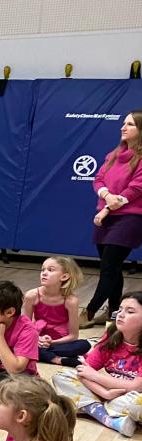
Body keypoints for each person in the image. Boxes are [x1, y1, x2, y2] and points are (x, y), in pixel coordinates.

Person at [52, 291, 142, 437]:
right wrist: (104, 393)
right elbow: (84, 371)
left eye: (130, 311)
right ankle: (110, 419)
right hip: (113, 393)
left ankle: (92, 407)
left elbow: (137, 386)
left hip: (134, 396)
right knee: (62, 376)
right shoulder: (111, 336)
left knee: (137, 403)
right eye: (120, 309)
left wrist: (97, 378)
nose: (120, 314)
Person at [84, 110, 142, 328]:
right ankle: (113, 312)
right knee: (113, 268)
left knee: (109, 267)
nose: (123, 127)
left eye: (130, 124)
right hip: (106, 214)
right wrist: (106, 196)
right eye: (123, 123)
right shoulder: (114, 154)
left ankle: (88, 312)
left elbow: (134, 190)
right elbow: (98, 179)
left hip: (129, 218)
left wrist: (107, 208)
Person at [24, 256, 90, 366]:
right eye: (43, 269)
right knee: (17, 342)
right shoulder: (31, 295)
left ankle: (42, 354)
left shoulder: (71, 301)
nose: (44, 273)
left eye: (50, 270)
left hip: (59, 342)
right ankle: (57, 359)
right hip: (37, 338)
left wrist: (50, 343)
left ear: (64, 276)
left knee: (84, 345)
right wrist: (37, 339)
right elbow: (25, 327)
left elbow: (73, 336)